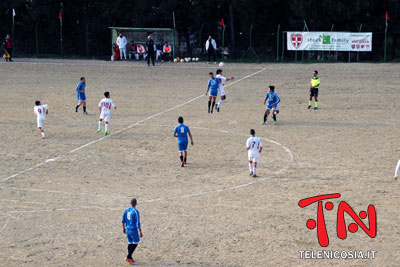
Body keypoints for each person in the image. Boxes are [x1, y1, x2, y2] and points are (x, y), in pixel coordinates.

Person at [121, 198, 143, 264]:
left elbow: (123, 221)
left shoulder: (126, 210)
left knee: (130, 243)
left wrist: (123, 228)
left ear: (130, 203)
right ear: (136, 204)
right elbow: (137, 223)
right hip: (133, 230)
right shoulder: (136, 212)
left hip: (127, 229)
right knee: (135, 243)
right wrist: (140, 231)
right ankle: (128, 256)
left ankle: (130, 257)